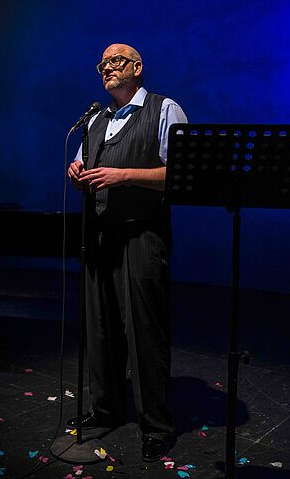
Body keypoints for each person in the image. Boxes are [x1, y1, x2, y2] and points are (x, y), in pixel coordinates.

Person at [67, 43, 188, 462]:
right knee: (100, 329)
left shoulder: (164, 109)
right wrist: (76, 174)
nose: (107, 68)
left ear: (137, 67)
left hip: (142, 233)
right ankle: (106, 410)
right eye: (102, 64)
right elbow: (84, 170)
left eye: (115, 61)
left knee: (144, 331)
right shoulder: (95, 119)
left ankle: (156, 425)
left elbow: (180, 174)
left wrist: (125, 176)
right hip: (100, 235)